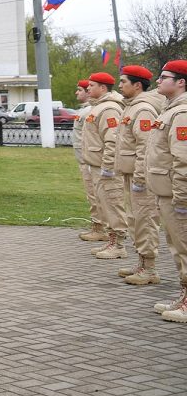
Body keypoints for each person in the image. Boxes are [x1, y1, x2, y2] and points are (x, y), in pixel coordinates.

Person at [115, 65, 166, 285]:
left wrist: (139, 178)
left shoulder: (143, 109)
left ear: (137, 85)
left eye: (124, 82)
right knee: (135, 219)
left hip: (141, 178)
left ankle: (150, 268)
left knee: (145, 220)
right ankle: (142, 263)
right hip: (132, 175)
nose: (119, 85)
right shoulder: (131, 107)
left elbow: (144, 147)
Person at [148, 60, 187, 322]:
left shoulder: (182, 112)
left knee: (184, 247)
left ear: (181, 81)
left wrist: (182, 198)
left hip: (177, 194)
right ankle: (184, 295)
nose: (158, 81)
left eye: (164, 77)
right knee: (177, 247)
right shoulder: (170, 109)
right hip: (166, 192)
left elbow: (183, 160)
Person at [82, 72, 127, 259]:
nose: (87, 88)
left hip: (105, 168)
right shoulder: (98, 107)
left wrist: (108, 167)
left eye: (92, 85)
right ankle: (111, 241)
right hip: (97, 166)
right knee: (105, 206)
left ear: (103, 88)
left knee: (113, 204)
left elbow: (112, 140)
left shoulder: (109, 108)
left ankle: (119, 245)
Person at [71, 80, 106, 243]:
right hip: (84, 159)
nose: (77, 93)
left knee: (95, 195)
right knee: (92, 195)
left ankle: (100, 228)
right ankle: (97, 225)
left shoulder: (91, 111)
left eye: (80, 90)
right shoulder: (85, 110)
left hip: (90, 160)